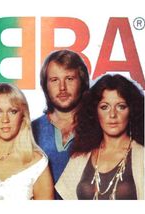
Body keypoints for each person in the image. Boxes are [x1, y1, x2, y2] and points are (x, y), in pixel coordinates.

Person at [55, 74, 144, 200]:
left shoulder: (144, 156)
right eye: (104, 107)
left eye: (121, 106)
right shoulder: (80, 156)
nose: (112, 114)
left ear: (132, 111)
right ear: (94, 112)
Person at [31, 49, 89, 199]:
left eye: (69, 78)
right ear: (45, 85)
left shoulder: (99, 127)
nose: (62, 87)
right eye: (54, 80)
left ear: (82, 82)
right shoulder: (30, 130)